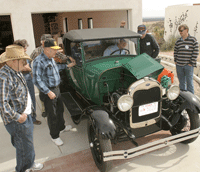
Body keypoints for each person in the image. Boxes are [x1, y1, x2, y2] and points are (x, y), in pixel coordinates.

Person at [0, 45, 43, 172]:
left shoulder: (15, 70)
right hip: (18, 120)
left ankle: (30, 163)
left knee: (27, 144)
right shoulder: (4, 77)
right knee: (23, 147)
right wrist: (18, 117)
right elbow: (2, 104)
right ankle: (23, 169)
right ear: (14, 61)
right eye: (22, 61)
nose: (25, 63)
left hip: (25, 115)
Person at [32, 38, 75, 146]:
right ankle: (54, 136)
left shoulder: (50, 58)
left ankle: (62, 127)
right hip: (48, 91)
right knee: (52, 115)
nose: (57, 52)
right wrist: (47, 91)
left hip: (56, 89)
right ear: (46, 49)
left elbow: (55, 68)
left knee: (60, 109)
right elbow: (37, 79)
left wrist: (67, 66)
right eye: (54, 50)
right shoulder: (39, 61)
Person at [30, 34, 75, 117]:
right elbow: (30, 62)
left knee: (58, 108)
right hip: (45, 83)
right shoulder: (37, 54)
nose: (56, 52)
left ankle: (60, 125)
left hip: (54, 84)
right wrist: (31, 72)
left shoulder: (51, 53)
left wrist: (68, 60)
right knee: (50, 110)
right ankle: (45, 111)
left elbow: (60, 59)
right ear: (42, 43)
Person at [13, 39, 41, 125]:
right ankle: (25, 119)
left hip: (28, 80)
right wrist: (27, 68)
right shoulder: (15, 57)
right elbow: (24, 68)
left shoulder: (25, 55)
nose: (26, 50)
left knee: (32, 99)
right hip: (20, 82)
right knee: (23, 101)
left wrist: (28, 69)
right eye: (24, 48)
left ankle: (33, 118)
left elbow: (27, 67)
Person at [174, 24, 199, 94]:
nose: (180, 32)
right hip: (179, 65)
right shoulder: (178, 41)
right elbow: (175, 51)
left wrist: (191, 63)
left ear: (186, 30)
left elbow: (196, 52)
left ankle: (191, 100)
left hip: (188, 66)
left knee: (189, 83)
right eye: (179, 31)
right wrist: (175, 60)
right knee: (181, 83)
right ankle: (184, 97)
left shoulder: (193, 40)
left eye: (181, 30)